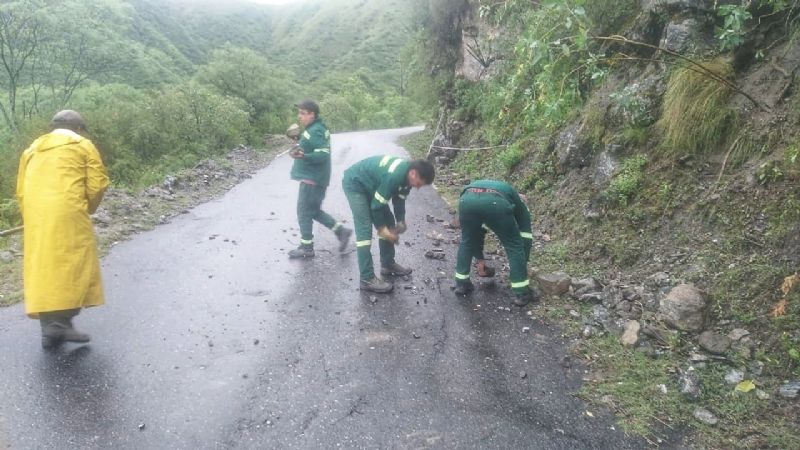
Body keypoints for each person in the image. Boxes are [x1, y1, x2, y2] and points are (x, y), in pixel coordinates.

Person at [16, 110, 110, 348]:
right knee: (72, 263)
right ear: (78, 128)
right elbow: (97, 184)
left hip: (35, 214)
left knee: (44, 266)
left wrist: (32, 215)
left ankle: (49, 329)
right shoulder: (82, 145)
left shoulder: (32, 150)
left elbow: (20, 190)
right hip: (68, 211)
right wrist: (86, 208)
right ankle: (61, 324)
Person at [342, 155, 435, 293]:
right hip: (355, 183)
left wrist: (401, 221)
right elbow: (376, 207)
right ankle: (366, 279)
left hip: (372, 186)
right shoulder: (395, 175)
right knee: (364, 229)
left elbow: (399, 199)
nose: (418, 187)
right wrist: (383, 230)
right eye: (419, 183)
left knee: (389, 222)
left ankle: (387, 264)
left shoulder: (407, 178)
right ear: (413, 173)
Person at [453, 180, 537, 306]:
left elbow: (477, 234)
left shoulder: (504, 189)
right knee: (514, 245)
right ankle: (521, 292)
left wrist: (480, 259)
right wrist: (522, 263)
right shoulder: (521, 207)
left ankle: (462, 283)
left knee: (467, 240)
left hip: (466, 199)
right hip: (495, 202)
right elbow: (525, 236)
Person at [287, 99, 352, 258]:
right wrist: (297, 144)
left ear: (312, 114)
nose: (299, 116)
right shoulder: (313, 129)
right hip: (315, 178)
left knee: (303, 211)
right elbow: (309, 146)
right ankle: (341, 231)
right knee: (313, 211)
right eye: (299, 113)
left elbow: (322, 154)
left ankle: (306, 247)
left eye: (303, 113)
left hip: (312, 179)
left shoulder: (315, 130)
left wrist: (304, 155)